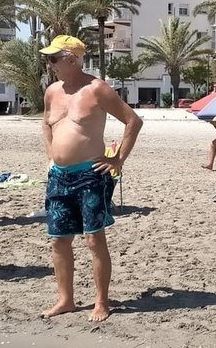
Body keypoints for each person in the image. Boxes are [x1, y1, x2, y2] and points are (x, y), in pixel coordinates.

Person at [41, 35, 143, 321]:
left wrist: (118, 159)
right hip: (58, 176)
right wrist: (51, 155)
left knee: (93, 239)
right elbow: (46, 123)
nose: (50, 65)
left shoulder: (97, 89)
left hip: (90, 174)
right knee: (59, 240)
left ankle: (101, 302)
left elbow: (133, 121)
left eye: (53, 59)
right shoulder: (52, 91)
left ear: (72, 59)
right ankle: (66, 300)